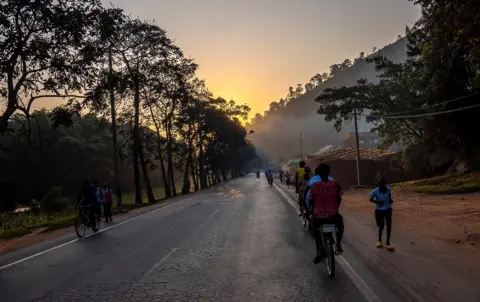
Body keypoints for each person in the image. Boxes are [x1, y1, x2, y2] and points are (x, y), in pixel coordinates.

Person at [306, 163, 344, 263]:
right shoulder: (335, 183)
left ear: (318, 173)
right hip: (333, 215)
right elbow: (339, 198)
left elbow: (310, 200)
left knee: (313, 229)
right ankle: (339, 244)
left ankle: (321, 248)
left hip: (319, 216)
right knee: (340, 223)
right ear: (329, 172)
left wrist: (311, 209)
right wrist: (335, 208)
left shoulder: (314, 185)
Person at [370, 177, 394, 251]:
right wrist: (377, 202)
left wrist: (390, 201)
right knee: (381, 226)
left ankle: (388, 242)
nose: (382, 186)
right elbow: (371, 199)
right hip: (379, 210)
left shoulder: (388, 189)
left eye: (383, 185)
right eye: (381, 185)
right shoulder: (376, 191)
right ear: (379, 185)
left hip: (387, 209)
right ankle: (379, 240)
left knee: (389, 225)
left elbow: (389, 197)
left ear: (385, 184)